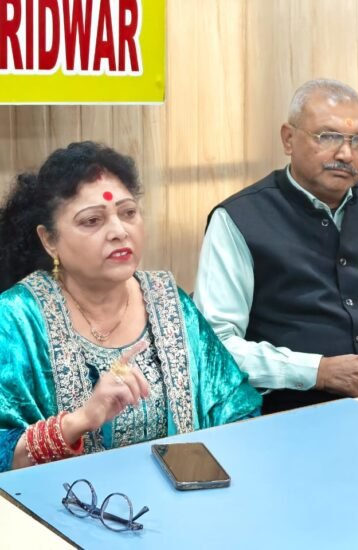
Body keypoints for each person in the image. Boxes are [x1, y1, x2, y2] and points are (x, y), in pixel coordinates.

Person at [0, 141, 261, 472]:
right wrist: (80, 421)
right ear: (49, 240)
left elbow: (236, 405)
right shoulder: (16, 318)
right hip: (67, 499)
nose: (119, 231)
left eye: (128, 213)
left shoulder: (168, 300)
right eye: (92, 220)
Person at [194, 78, 358, 413]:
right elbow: (215, 344)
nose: (345, 154)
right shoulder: (238, 219)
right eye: (328, 137)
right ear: (288, 139)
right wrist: (317, 372)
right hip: (289, 412)